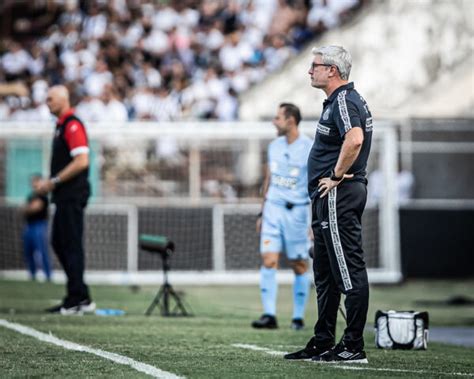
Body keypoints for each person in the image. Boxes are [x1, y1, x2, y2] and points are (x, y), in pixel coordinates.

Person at [285, 45, 372, 363]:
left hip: (339, 194)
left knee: (349, 271)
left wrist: (336, 175)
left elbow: (355, 138)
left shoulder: (346, 100)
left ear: (332, 70)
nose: (310, 70)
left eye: (315, 65)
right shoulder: (335, 102)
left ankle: (353, 346)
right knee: (325, 272)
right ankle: (323, 340)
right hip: (325, 198)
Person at [252, 103, 313, 330]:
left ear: (290, 121)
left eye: (277, 118)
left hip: (297, 212)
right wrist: (262, 210)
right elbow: (268, 179)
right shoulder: (273, 146)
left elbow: (316, 184)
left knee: (299, 264)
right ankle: (269, 315)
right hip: (272, 211)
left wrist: (313, 220)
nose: (273, 122)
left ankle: (297, 317)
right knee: (269, 260)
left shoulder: (309, 147)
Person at [37, 85, 95, 315]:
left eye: (51, 98)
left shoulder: (72, 124)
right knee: (61, 243)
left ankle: (77, 298)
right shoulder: (61, 126)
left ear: (63, 99)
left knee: (70, 245)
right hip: (64, 195)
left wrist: (54, 181)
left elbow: (82, 161)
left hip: (71, 195)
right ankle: (80, 294)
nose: (47, 102)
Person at [23, 174, 51, 281]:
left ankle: (48, 274)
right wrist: (28, 208)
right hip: (29, 225)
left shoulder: (43, 196)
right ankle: (32, 274)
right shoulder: (31, 196)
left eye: (37, 181)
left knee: (41, 250)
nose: (34, 184)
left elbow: (34, 208)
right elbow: (25, 209)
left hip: (39, 225)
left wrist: (28, 208)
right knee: (28, 251)